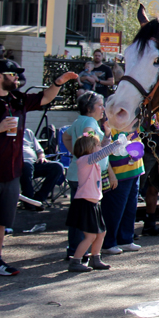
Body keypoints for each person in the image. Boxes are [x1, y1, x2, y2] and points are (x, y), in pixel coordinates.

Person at [0, 60, 77, 282]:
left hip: (11, 171)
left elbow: (45, 98)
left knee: (1, 219)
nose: (16, 78)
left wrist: (58, 82)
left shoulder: (17, 100)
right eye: (12, 74)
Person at [62, 92, 114, 259]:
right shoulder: (90, 122)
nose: (103, 109)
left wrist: (77, 153)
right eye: (100, 105)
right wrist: (89, 147)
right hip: (85, 178)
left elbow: (66, 136)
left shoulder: (79, 120)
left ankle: (74, 250)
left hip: (78, 174)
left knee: (78, 215)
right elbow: (88, 134)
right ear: (89, 108)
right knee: (84, 217)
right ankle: (79, 253)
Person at [66, 133, 128, 272]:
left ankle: (95, 258)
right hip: (85, 203)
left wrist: (109, 138)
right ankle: (75, 261)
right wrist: (117, 143)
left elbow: (103, 149)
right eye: (97, 145)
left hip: (94, 202)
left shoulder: (91, 160)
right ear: (89, 147)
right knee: (90, 236)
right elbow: (103, 152)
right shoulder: (84, 160)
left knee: (101, 233)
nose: (99, 147)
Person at [99, 127, 145, 255]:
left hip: (135, 172)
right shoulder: (109, 128)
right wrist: (111, 174)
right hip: (119, 175)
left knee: (130, 208)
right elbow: (103, 152)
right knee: (114, 210)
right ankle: (108, 243)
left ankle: (125, 239)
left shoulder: (133, 124)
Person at [20, 128, 64, 207]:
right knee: (27, 166)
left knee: (57, 167)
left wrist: (41, 157)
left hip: (34, 164)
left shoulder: (27, 132)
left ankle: (39, 198)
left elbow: (40, 151)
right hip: (18, 166)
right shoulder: (7, 133)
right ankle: (29, 201)